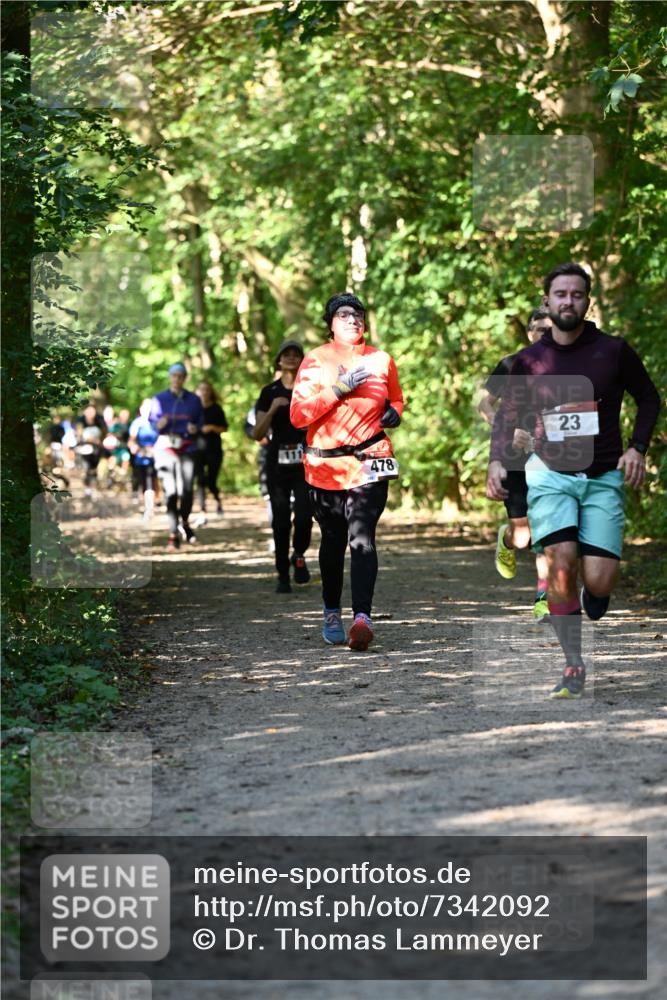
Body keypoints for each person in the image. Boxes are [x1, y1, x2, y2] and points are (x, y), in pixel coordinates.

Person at [487, 262, 660, 699]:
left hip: (602, 477)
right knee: (560, 566)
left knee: (599, 584)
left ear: (588, 301)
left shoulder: (613, 351)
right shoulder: (528, 361)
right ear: (547, 302)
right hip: (548, 474)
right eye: (560, 294)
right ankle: (573, 665)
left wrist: (637, 447)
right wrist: (496, 461)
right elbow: (505, 414)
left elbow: (649, 398)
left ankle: (592, 597)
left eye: (577, 294)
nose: (568, 301)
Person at [290, 293, 404, 651]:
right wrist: (339, 388)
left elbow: (396, 398)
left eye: (357, 314)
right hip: (326, 466)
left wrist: (395, 412)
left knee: (362, 536)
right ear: (330, 323)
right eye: (343, 314)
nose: (352, 319)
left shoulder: (381, 359)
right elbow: (298, 415)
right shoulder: (315, 361)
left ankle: (362, 619)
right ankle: (330, 611)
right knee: (335, 540)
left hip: (371, 458)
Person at [478, 309, 552, 620]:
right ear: (529, 332)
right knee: (523, 536)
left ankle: (543, 598)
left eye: (548, 328)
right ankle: (507, 539)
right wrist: (504, 430)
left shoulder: (568, 366)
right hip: (515, 458)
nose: (542, 333)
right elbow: (484, 401)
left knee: (549, 529)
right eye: (537, 328)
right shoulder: (512, 364)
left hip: (553, 458)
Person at [254, 341, 312, 593]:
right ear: (278, 361)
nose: (290, 358)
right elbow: (257, 433)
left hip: (305, 462)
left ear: (302, 361)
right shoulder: (269, 392)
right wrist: (274, 408)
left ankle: (298, 554)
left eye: (295, 355)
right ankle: (282, 574)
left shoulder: (310, 390)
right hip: (276, 462)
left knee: (304, 516)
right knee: (279, 520)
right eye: (285, 354)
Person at [149, 362, 203, 551]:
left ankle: (185, 521)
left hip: (187, 447)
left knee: (186, 490)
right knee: (170, 491)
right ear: (170, 377)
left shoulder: (194, 400)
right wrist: (158, 425)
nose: (177, 379)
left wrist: (194, 428)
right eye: (174, 376)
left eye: (181, 376)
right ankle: (173, 532)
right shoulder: (159, 399)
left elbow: (200, 423)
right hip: (165, 448)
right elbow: (150, 425)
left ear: (185, 378)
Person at [194, 381, 228, 516]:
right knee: (200, 480)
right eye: (201, 389)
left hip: (214, 450)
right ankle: (202, 510)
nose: (204, 392)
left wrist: (212, 428)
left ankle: (217, 500)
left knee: (211, 481)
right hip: (196, 450)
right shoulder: (193, 409)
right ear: (197, 392)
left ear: (210, 392)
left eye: (207, 390)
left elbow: (224, 428)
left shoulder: (216, 409)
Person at [129, 399, 159, 520]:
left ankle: (151, 508)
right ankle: (149, 508)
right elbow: (131, 441)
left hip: (156, 457)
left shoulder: (156, 423)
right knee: (146, 483)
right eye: (144, 408)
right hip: (141, 458)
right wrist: (134, 447)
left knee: (153, 481)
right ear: (140, 410)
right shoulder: (137, 423)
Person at [75, 404, 107, 497]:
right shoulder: (80, 421)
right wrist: (89, 440)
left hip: (97, 449)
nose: (91, 413)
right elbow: (79, 434)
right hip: (84, 448)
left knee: (94, 468)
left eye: (92, 411)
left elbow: (104, 431)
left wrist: (100, 441)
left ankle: (93, 488)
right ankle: (87, 488)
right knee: (86, 468)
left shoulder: (99, 419)